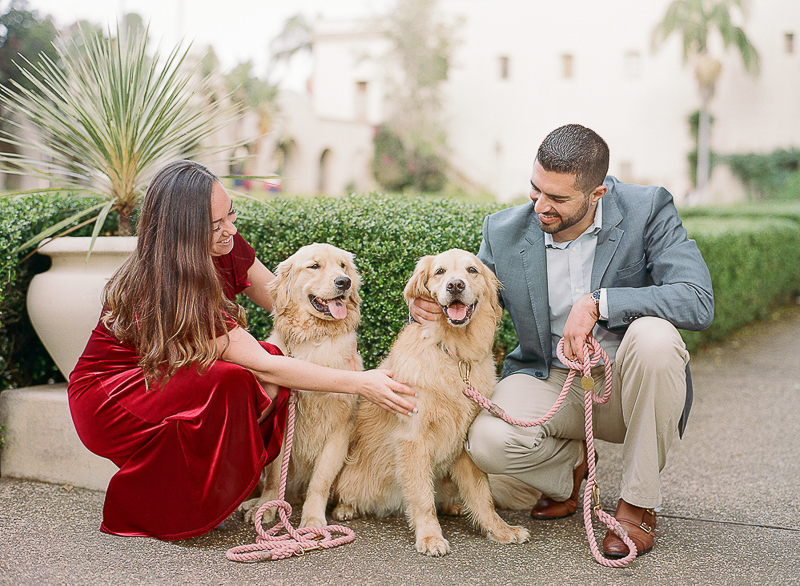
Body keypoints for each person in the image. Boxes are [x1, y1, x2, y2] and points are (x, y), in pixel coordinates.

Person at [68, 160, 417, 541]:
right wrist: (359, 382)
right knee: (239, 377)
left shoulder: (226, 247)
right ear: (183, 234)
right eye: (216, 225)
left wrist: (342, 309)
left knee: (249, 371)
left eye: (231, 214)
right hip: (109, 398)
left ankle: (198, 492)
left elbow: (284, 299)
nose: (231, 229)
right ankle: (158, 501)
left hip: (164, 377)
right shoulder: (173, 286)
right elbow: (266, 366)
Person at [410, 124, 714, 557]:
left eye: (557, 198)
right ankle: (571, 467)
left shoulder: (648, 209)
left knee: (655, 338)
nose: (540, 206)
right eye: (536, 190)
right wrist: (424, 304)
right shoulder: (504, 229)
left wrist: (598, 303)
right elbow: (467, 289)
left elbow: (698, 300)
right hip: (549, 378)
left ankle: (637, 504)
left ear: (597, 194)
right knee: (488, 442)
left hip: (625, 385)